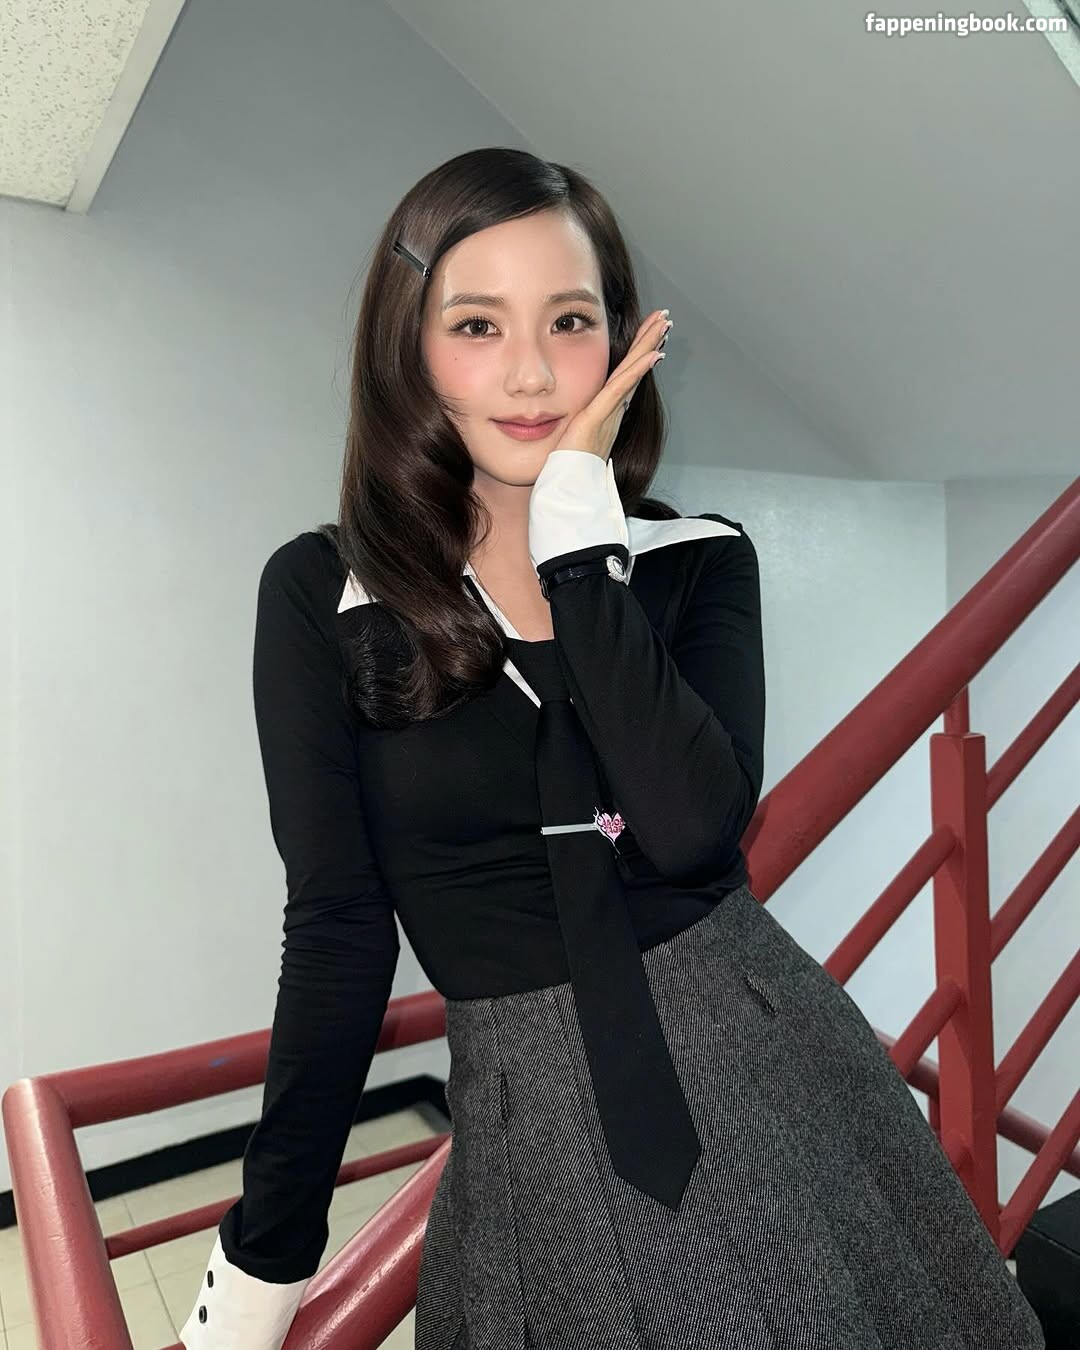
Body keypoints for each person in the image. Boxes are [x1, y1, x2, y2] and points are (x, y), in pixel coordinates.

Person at [180, 147, 1045, 1349]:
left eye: (570, 320)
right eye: (477, 325)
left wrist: (581, 543)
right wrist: (260, 1268)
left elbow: (693, 831)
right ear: (407, 348)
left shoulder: (696, 559)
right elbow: (337, 927)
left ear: (621, 342)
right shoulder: (324, 592)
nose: (532, 371)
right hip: (529, 1128)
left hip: (769, 1073)